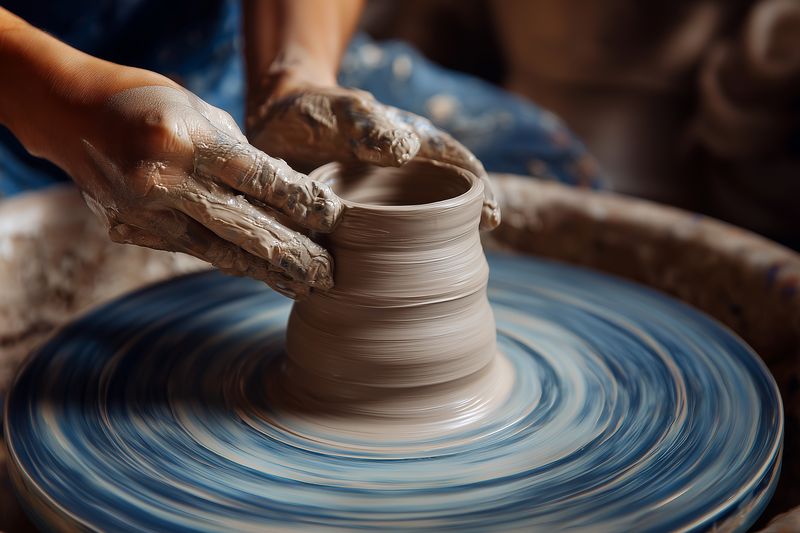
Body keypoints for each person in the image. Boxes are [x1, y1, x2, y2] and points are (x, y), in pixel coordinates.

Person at [0, 0, 523, 299]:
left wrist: (294, 74)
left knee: (540, 157)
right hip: (22, 74)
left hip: (246, 43)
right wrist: (61, 103)